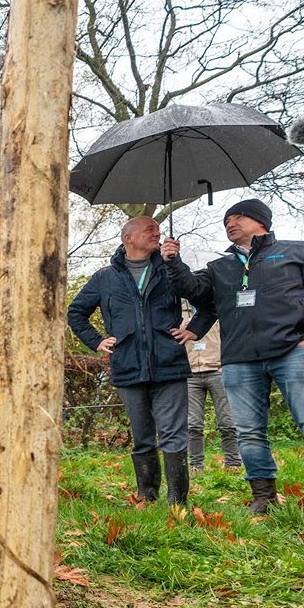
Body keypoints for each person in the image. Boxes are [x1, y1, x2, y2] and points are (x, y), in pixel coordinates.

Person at [163, 199, 304, 521]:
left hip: (294, 352)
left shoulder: (299, 252)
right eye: (226, 221)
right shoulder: (220, 268)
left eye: (238, 217)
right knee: (248, 432)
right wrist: (173, 261)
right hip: (239, 359)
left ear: (260, 220)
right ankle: (263, 496)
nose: (230, 224)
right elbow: (192, 289)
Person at [68, 216, 202, 505]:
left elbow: (201, 296)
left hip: (169, 365)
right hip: (128, 365)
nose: (157, 233)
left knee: (173, 435)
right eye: (149, 230)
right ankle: (147, 495)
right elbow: (75, 313)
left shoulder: (169, 270)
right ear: (128, 238)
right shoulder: (105, 278)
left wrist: (193, 329)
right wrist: (96, 341)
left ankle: (177, 500)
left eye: (158, 229)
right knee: (142, 436)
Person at [181, 305, 242, 474]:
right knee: (192, 425)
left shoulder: (216, 305)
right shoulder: (177, 309)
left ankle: (233, 464)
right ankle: (196, 467)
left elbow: (234, 333)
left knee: (227, 422)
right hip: (190, 373)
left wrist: (228, 361)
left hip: (218, 370)